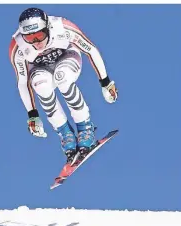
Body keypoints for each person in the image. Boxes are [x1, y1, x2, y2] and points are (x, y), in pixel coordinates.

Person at [9, 7, 118, 163]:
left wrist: (105, 82)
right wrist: (32, 115)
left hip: (67, 57)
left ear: (47, 27)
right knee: (40, 85)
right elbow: (22, 80)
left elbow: (91, 50)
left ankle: (85, 128)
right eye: (30, 38)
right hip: (41, 69)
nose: (37, 43)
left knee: (63, 78)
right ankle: (65, 133)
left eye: (39, 35)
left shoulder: (62, 27)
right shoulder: (17, 46)